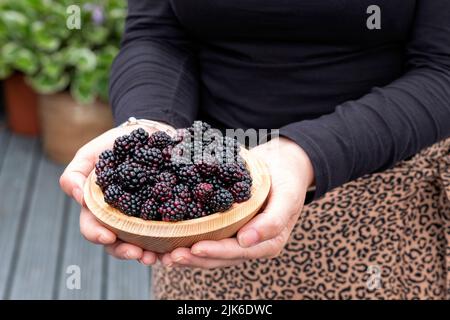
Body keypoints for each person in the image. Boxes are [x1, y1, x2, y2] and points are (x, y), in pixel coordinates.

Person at [60, 0, 450, 299]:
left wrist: (305, 154)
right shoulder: (196, 195)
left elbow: (442, 68)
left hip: (382, 192)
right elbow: (158, 35)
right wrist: (150, 128)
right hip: (211, 209)